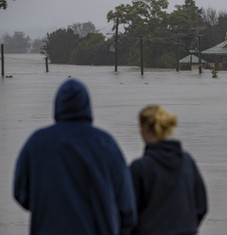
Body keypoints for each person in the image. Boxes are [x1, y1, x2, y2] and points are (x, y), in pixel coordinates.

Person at [13, 78, 137, 235]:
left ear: (57, 105)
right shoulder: (106, 144)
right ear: (87, 105)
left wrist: (46, 204)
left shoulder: (37, 142)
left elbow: (20, 193)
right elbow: (126, 205)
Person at [130, 105, 207, 235]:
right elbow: (201, 206)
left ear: (146, 128)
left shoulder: (140, 167)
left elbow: (128, 212)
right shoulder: (187, 161)